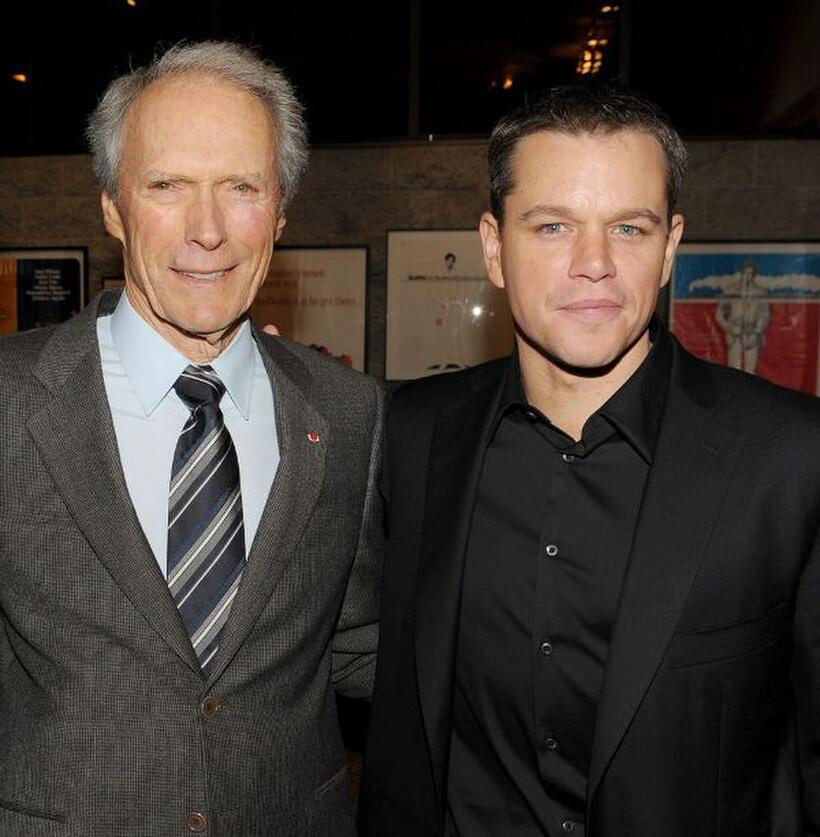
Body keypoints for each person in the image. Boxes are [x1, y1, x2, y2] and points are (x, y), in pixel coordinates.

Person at [360, 84, 820, 836]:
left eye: (630, 229)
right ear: (493, 246)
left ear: (670, 248)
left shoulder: (792, 458)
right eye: (551, 226)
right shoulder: (413, 435)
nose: (594, 263)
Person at [0, 41, 382, 836]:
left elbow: (359, 648)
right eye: (167, 185)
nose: (206, 231)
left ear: (279, 209)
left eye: (240, 187)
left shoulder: (348, 415)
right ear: (112, 205)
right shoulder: (9, 402)